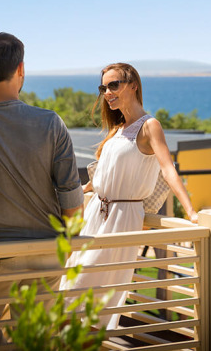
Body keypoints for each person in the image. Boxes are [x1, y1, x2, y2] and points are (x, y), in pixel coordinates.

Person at [60, 62, 197, 330]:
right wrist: (77, 191)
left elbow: (168, 169)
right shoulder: (119, 129)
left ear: (133, 85)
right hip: (94, 216)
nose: (107, 93)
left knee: (87, 295)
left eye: (114, 85)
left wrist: (190, 211)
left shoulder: (149, 126)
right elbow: (102, 177)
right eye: (103, 88)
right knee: (70, 291)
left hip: (121, 220)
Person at [0, 32, 84, 342]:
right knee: (36, 340)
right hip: (45, 252)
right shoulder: (51, 123)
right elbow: (72, 202)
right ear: (21, 69)